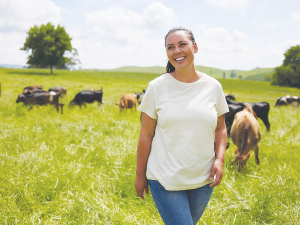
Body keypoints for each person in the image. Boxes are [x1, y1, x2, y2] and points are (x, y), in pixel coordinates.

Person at [134, 27, 229, 225]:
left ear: (195, 47)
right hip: (165, 179)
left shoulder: (213, 86)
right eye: (170, 47)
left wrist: (219, 159)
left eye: (182, 44)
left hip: (203, 179)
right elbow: (146, 135)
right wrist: (139, 175)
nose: (176, 51)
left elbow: (220, 128)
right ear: (167, 53)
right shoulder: (156, 87)